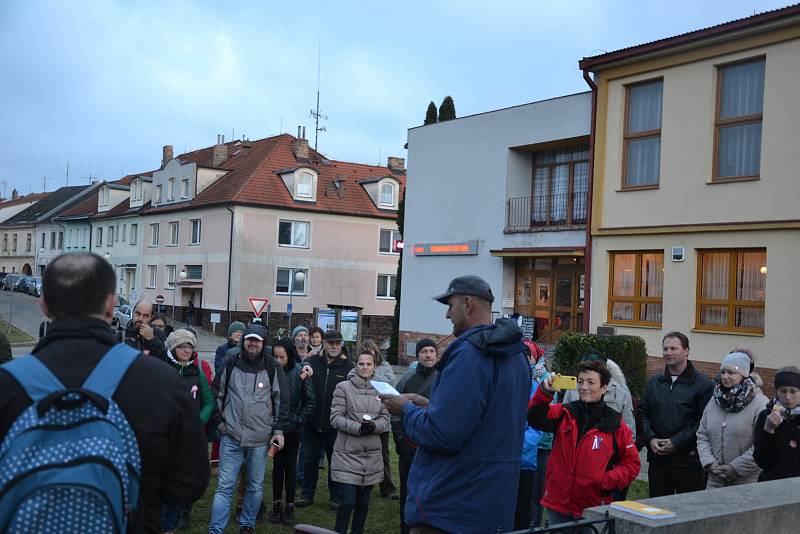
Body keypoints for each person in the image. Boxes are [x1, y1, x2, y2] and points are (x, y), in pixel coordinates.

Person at [0, 252, 209, 532]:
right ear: (111, 306)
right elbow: (191, 481)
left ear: (44, 305)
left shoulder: (8, 384)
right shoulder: (161, 382)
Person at [381, 275, 530, 533]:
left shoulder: (469, 354)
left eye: (451, 306)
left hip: (450, 505)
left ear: (468, 304)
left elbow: (441, 433)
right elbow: (485, 420)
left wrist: (405, 410)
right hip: (492, 504)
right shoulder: (517, 356)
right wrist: (429, 405)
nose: (448, 315)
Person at [528, 360, 640, 526]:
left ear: (604, 387)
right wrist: (545, 392)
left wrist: (605, 480)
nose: (584, 387)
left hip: (593, 508)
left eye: (591, 382)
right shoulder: (565, 412)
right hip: (558, 504)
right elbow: (534, 417)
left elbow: (632, 464)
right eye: (580, 382)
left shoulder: (615, 424)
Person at [208, 324, 289, 534]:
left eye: (257, 340)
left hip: (260, 441)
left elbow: (282, 401)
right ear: (244, 340)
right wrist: (220, 423)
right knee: (225, 486)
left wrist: (278, 431)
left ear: (263, 343)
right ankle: (215, 529)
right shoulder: (230, 361)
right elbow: (215, 393)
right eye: (249, 339)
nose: (253, 343)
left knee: (255, 485)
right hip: (231, 437)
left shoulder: (272, 366)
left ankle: (247, 524)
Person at [636, 331, 714, 497]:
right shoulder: (654, 383)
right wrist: (651, 439)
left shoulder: (704, 385)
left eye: (673, 348)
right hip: (658, 461)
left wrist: (676, 442)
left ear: (686, 351)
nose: (668, 353)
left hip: (688, 462)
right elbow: (643, 414)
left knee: (689, 513)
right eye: (665, 349)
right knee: (658, 510)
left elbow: (703, 422)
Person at [329, 349, 390, 534]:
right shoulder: (343, 387)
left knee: (363, 504)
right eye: (361, 363)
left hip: (371, 455)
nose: (365, 367)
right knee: (347, 502)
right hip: (348, 453)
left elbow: (385, 419)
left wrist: (373, 426)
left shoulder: (382, 389)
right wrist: (357, 427)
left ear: (374, 367)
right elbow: (335, 418)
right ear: (356, 365)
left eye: (368, 364)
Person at [161, 329, 215, 533]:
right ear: (173, 348)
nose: (186, 350)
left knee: (179, 481)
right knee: (162, 480)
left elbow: (209, 401)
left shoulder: (197, 371)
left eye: (189, 347)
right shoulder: (163, 369)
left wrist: (198, 420)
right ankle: (159, 520)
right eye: (182, 346)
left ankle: (172, 523)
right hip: (166, 436)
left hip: (189, 437)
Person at [296, 330, 354, 509]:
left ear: (342, 344)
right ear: (325, 344)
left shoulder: (348, 366)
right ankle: (307, 495)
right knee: (309, 461)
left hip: (335, 425)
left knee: (335, 463)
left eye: (337, 343)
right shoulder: (311, 362)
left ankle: (335, 497)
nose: (334, 346)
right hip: (311, 422)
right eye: (331, 343)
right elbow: (299, 387)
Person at [696, 351, 769, 488]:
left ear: (744, 375)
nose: (725, 376)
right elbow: (702, 435)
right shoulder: (714, 400)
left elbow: (763, 444)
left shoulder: (760, 403)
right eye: (723, 372)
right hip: (715, 480)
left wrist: (735, 468)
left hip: (747, 482)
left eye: (731, 373)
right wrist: (710, 463)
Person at [392, 338, 440, 534]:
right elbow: (395, 410)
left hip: (434, 447)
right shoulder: (406, 379)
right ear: (417, 355)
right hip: (409, 446)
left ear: (437, 355)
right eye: (424, 351)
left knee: (432, 493)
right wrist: (399, 440)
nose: (428, 355)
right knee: (407, 492)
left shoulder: (444, 379)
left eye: (431, 351)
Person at [269, 338, 315, 526]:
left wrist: (298, 419)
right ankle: (276, 503)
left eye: (282, 357)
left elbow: (310, 401)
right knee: (277, 467)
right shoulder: (269, 372)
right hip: (274, 427)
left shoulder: (300, 372)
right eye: (275, 357)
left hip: (294, 428)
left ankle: (289, 504)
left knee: (291, 466)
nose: (278, 361)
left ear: (290, 355)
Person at [360, 338, 398, 500]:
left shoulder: (385, 368)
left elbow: (391, 387)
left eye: (372, 351)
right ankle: (360, 484)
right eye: (366, 351)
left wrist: (373, 379)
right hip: (362, 417)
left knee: (383, 455)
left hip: (381, 419)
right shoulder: (358, 368)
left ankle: (387, 488)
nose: (370, 355)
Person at [753, 366, 800, 481]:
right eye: (783, 391)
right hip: (771, 487)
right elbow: (761, 461)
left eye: (793, 391)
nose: (788, 397)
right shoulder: (766, 415)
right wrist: (769, 430)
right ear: (776, 392)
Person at [515, 343, 542, 530]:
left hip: (524, 462)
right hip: (500, 462)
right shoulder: (502, 384)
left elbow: (537, 429)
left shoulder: (536, 389)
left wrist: (513, 446)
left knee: (521, 512)